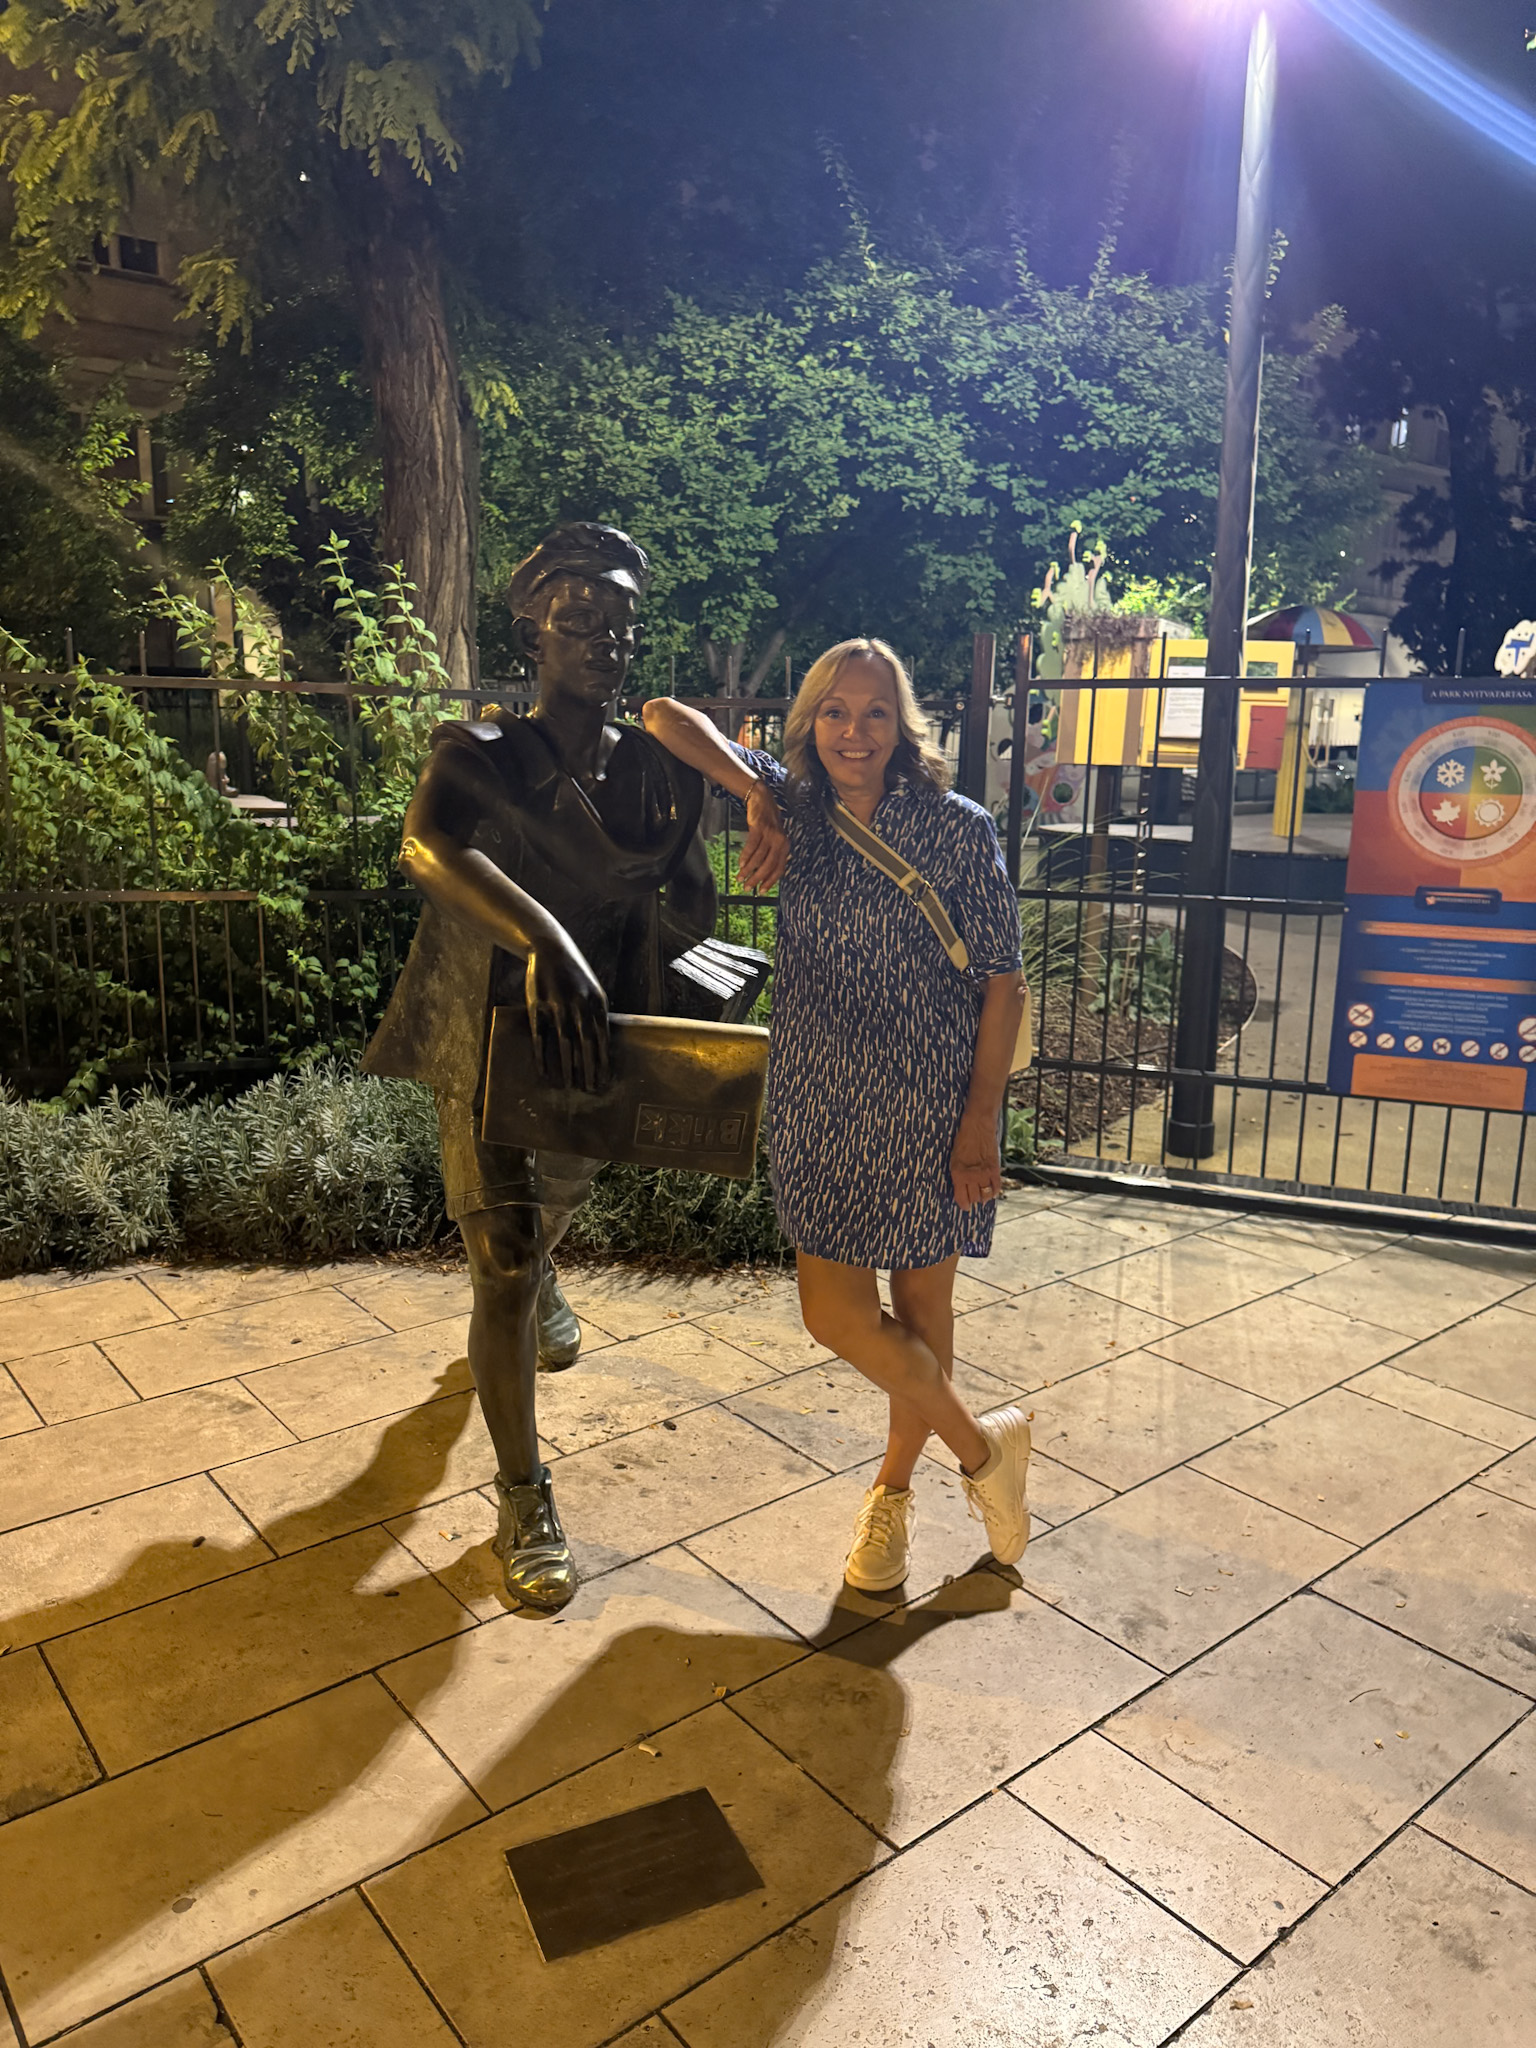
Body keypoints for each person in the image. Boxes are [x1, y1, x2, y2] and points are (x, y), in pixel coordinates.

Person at [363, 523, 716, 1611]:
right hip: (491, 1031)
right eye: (581, 619)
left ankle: (539, 1268)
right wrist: (544, 937)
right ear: (534, 635)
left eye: (621, 623)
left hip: (596, 1033)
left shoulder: (656, 771)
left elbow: (688, 898)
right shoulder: (481, 754)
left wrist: (690, 938)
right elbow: (428, 844)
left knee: (548, 1211)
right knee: (505, 1260)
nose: (607, 640)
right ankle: (523, 1492)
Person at [642, 638, 1032, 1591]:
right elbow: (662, 715)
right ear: (810, 722)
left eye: (874, 712)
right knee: (835, 1315)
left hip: (927, 1100)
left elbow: (1005, 982)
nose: (854, 732)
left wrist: (979, 1122)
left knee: (922, 1310)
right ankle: (985, 1452)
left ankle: (892, 1497)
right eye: (835, 712)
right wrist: (755, 791)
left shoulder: (956, 826)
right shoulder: (798, 804)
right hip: (816, 1096)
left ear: (903, 726)